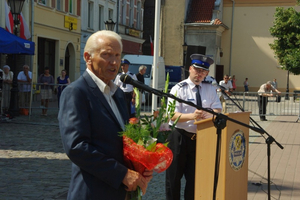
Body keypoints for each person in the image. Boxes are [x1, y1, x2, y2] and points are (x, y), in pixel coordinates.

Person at [58, 30, 152, 200]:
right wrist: (122, 174)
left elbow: (124, 142)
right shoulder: (76, 92)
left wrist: (139, 166)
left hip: (121, 192)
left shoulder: (116, 94)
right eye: (107, 55)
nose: (114, 62)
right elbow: (76, 147)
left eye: (117, 55)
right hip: (93, 192)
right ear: (88, 57)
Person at [166, 54, 222, 200]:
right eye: (197, 70)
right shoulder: (179, 89)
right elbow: (171, 115)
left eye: (203, 72)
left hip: (200, 138)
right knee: (173, 178)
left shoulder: (210, 89)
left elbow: (217, 110)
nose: (199, 74)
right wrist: (193, 116)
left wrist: (209, 114)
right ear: (190, 69)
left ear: (207, 74)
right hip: (179, 137)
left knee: (194, 179)